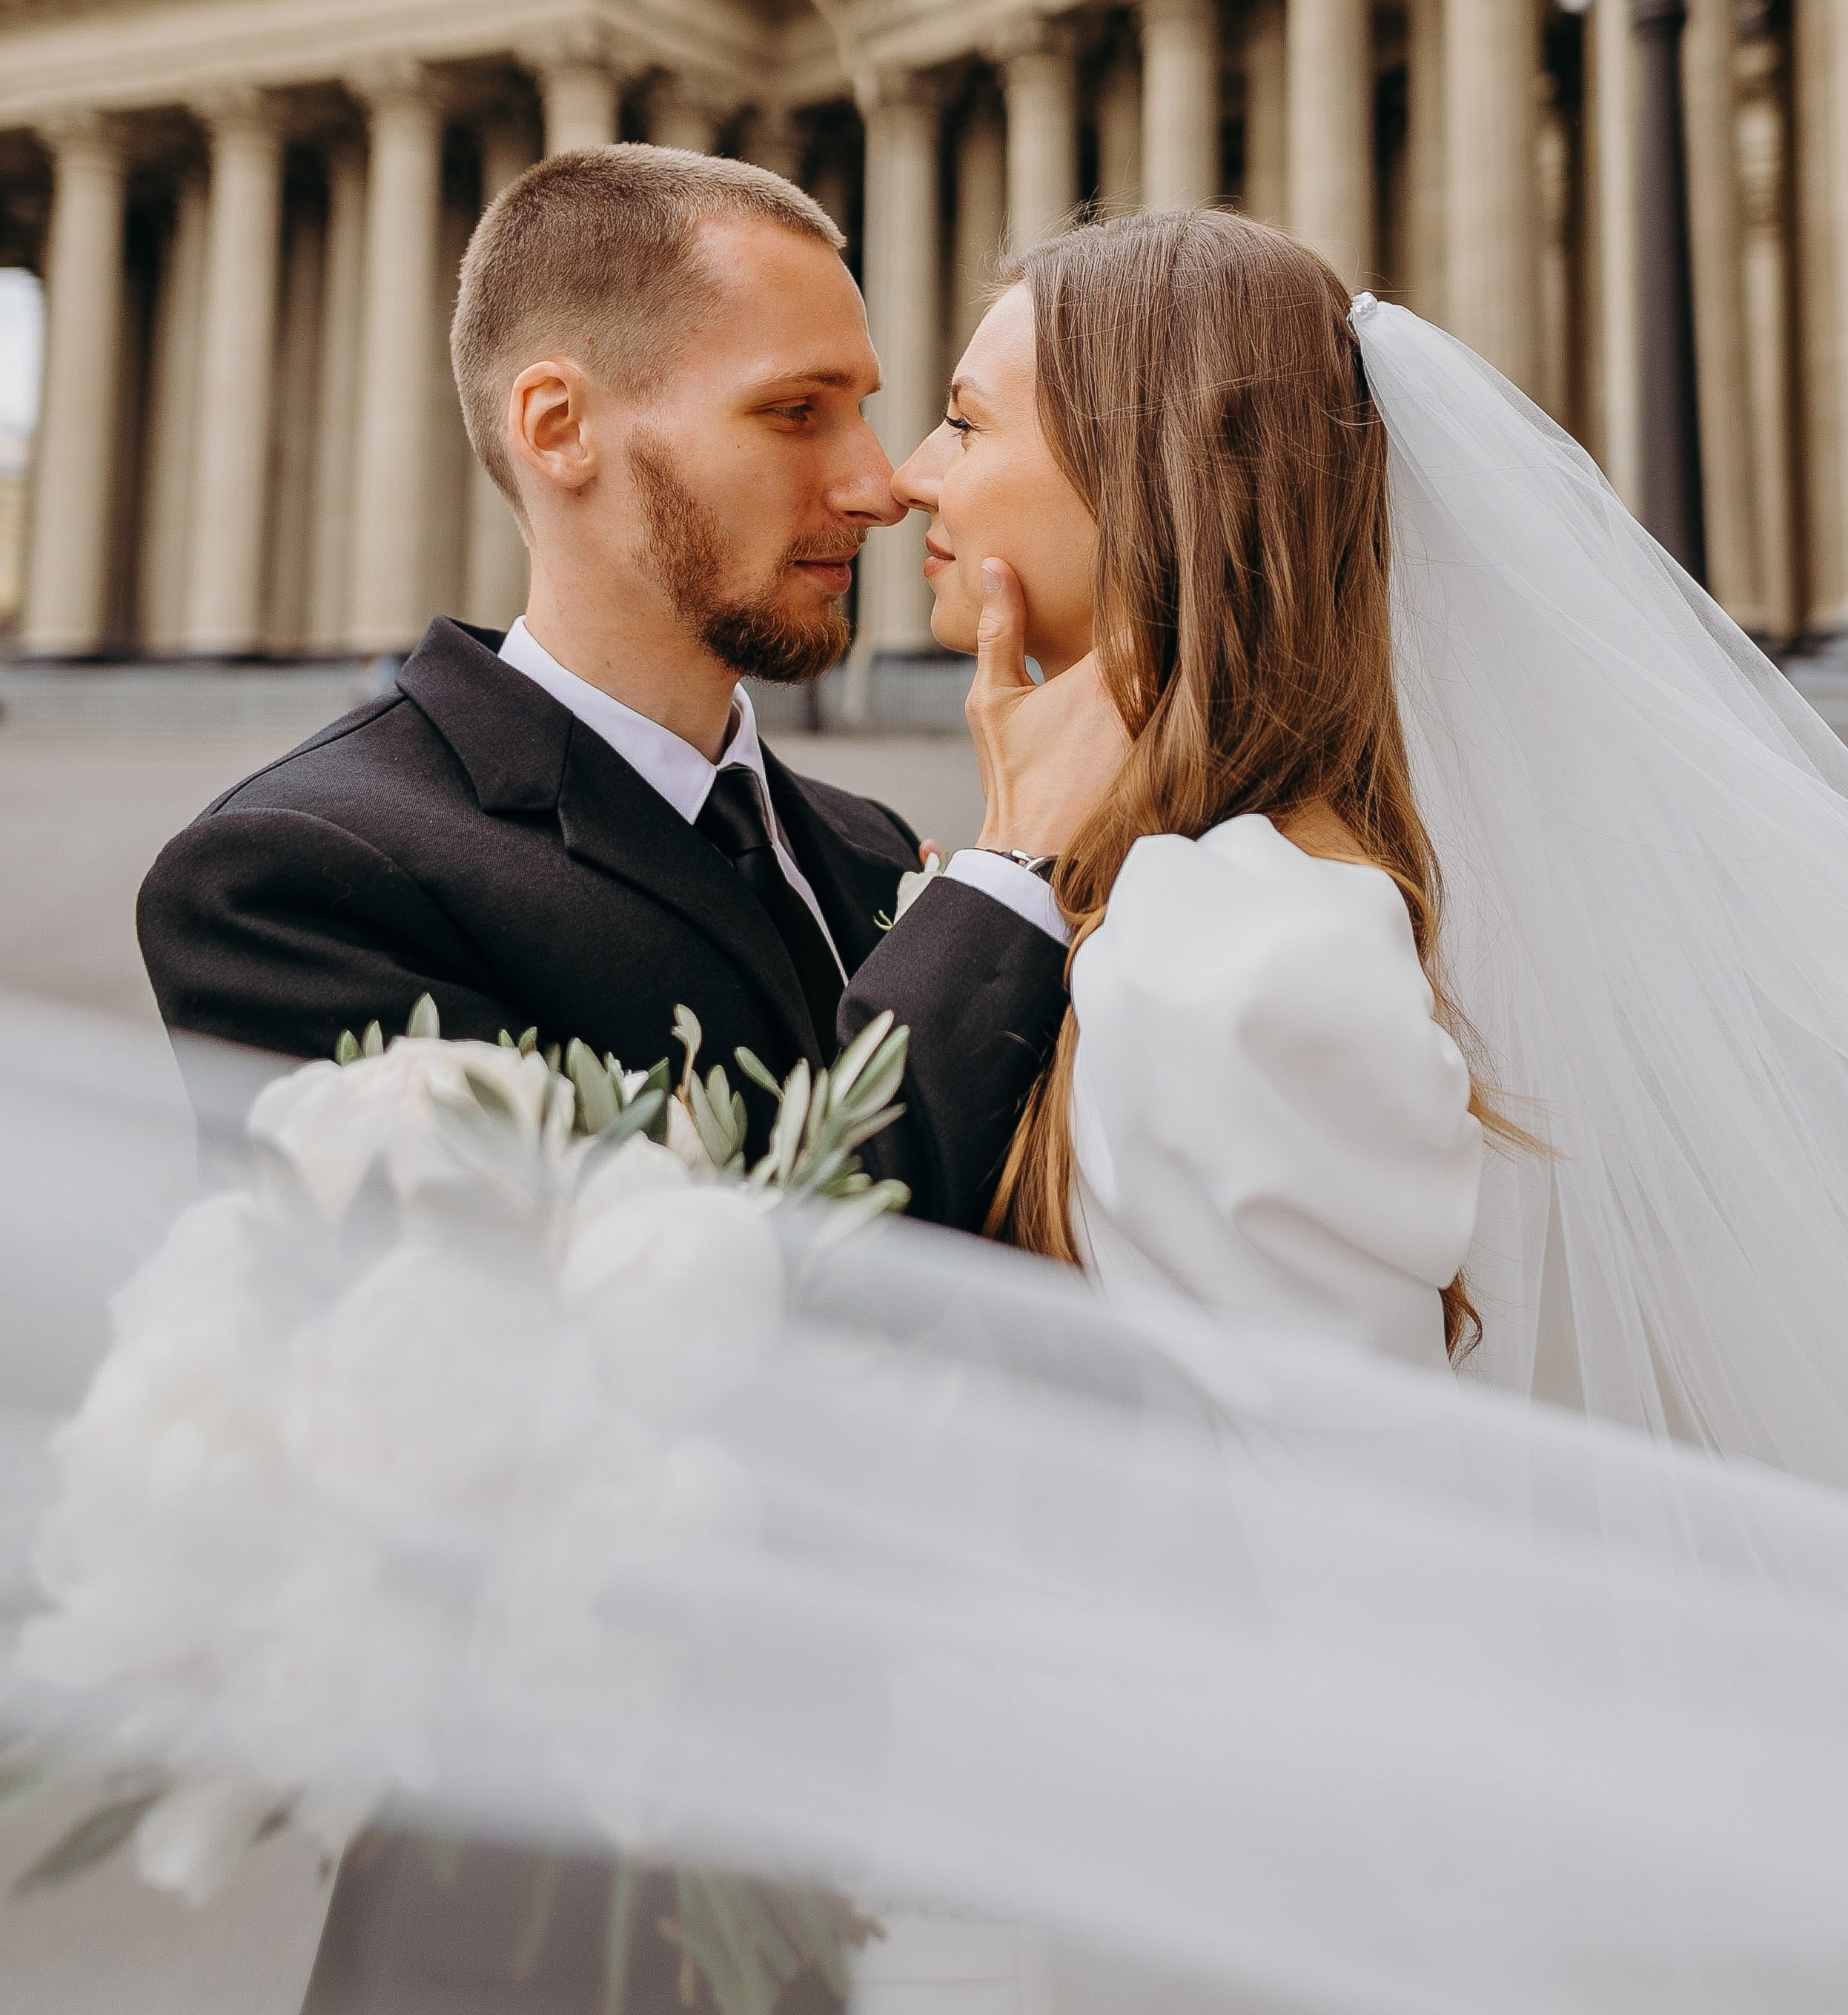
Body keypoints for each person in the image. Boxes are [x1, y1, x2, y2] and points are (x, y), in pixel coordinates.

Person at [893, 205, 1848, 1475]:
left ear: (1148, 478)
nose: (909, 473)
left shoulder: (1237, 950)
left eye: (964, 420)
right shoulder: (1208, 897)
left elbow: (1330, 1533)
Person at [136, 145, 1068, 1231]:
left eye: (860, 407)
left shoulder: (869, 845)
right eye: (793, 411)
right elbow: (664, 1338)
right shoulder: (295, 879)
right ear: (559, 428)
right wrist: (1013, 871)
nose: (878, 486)